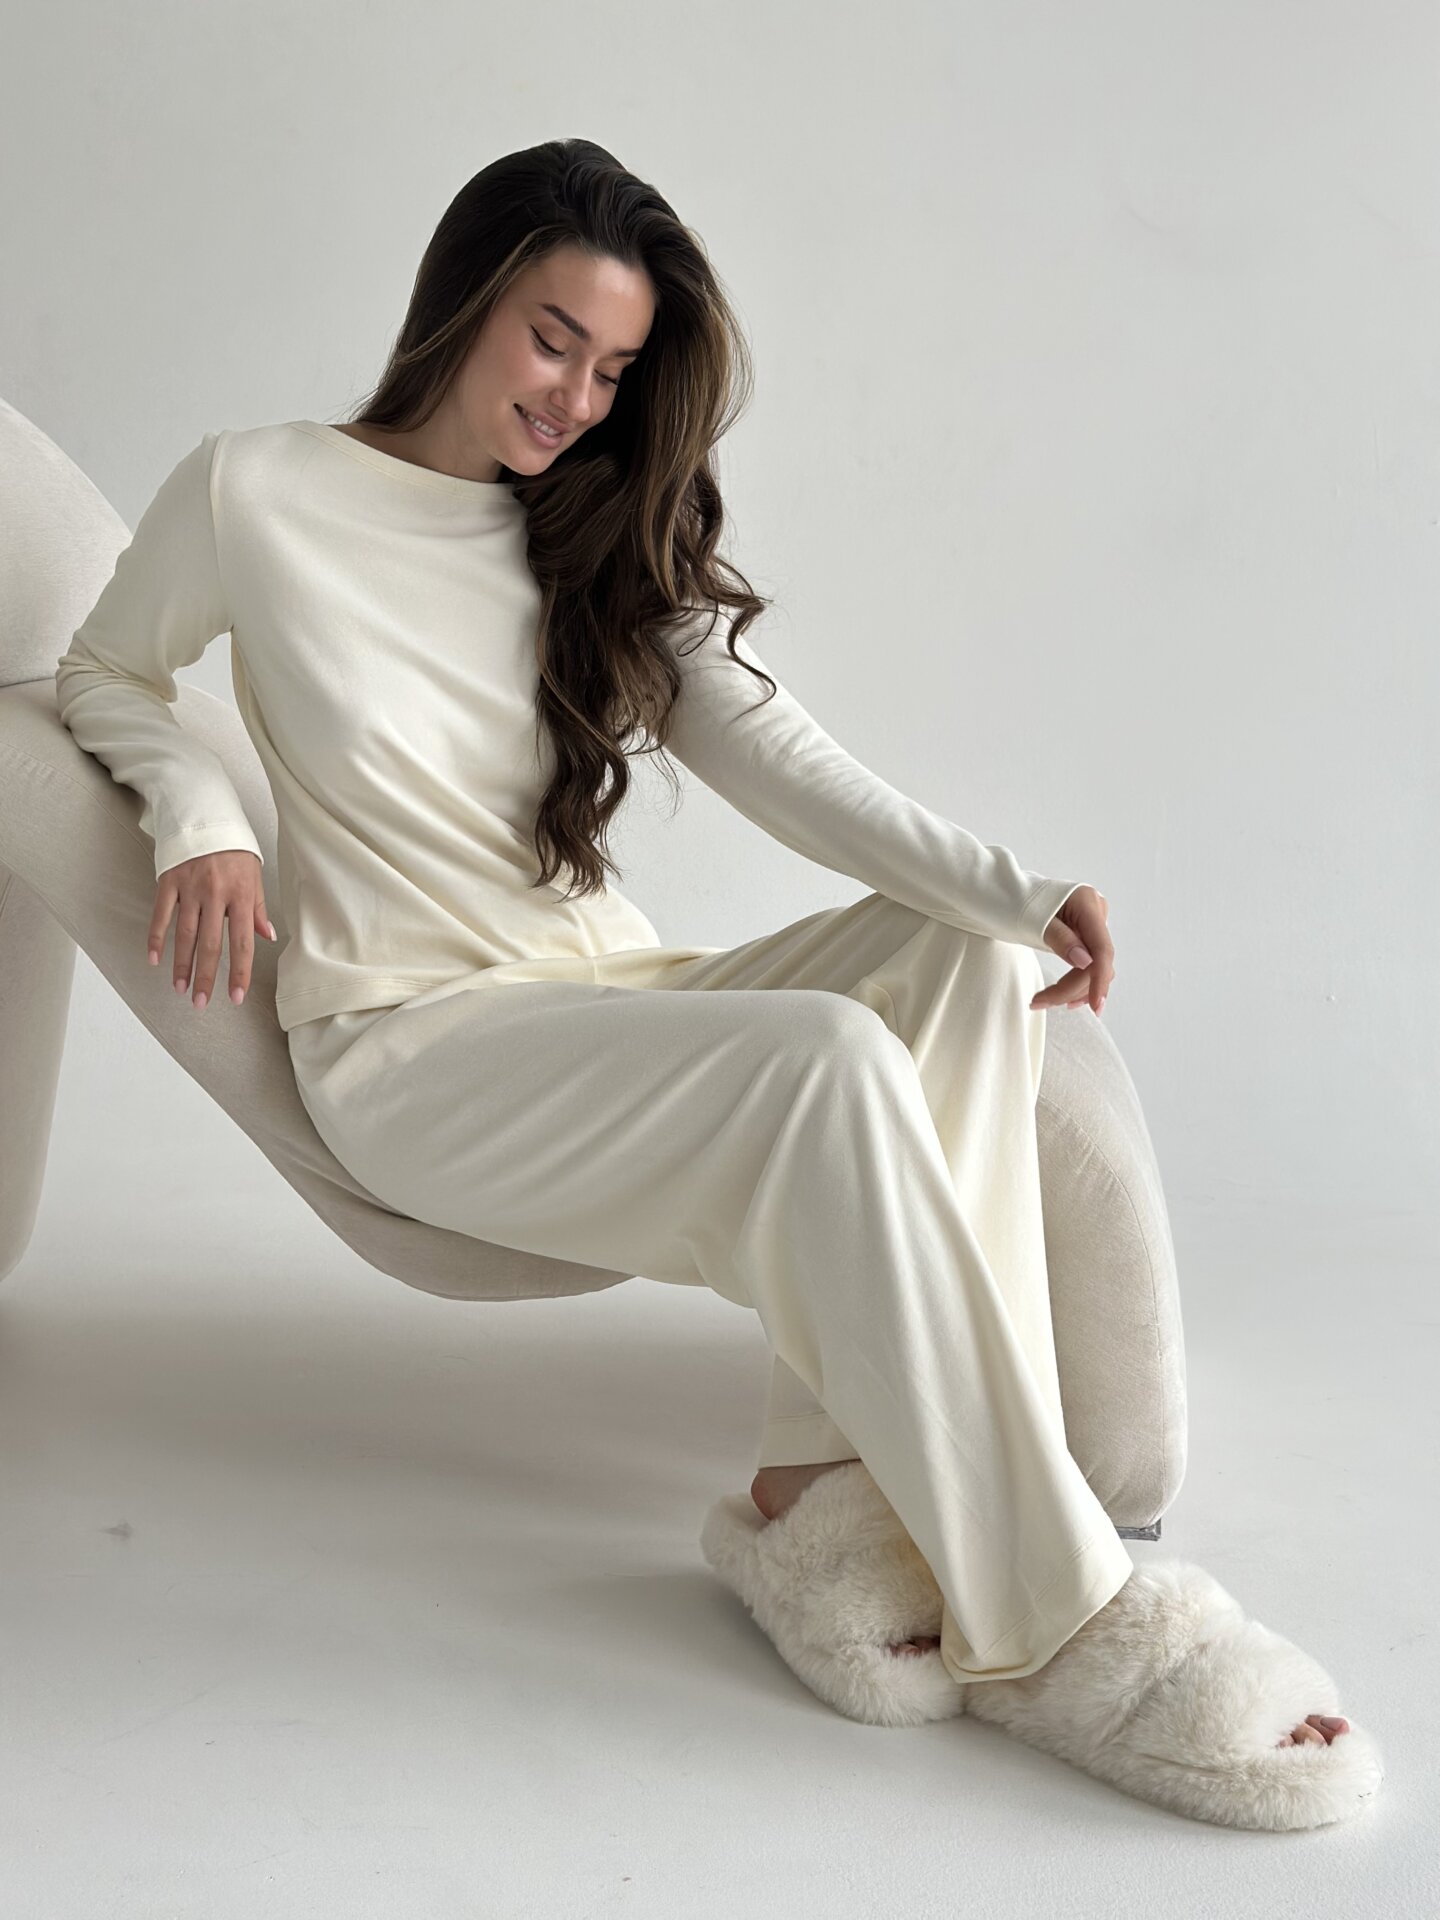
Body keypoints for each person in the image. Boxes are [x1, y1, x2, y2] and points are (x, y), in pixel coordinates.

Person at [54, 138, 1376, 1829]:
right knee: (824, 1058)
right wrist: (202, 817)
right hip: (414, 1050)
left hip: (603, 1000)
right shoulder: (255, 491)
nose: (577, 400)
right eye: (552, 339)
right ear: (462, 300)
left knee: (954, 956)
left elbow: (772, 749)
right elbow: (104, 671)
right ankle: (1059, 1620)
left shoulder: (580, 523)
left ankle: (817, 1496)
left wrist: (1009, 891)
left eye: (613, 370)